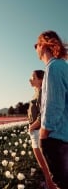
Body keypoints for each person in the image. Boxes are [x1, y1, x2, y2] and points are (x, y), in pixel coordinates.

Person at [34, 30, 68, 189]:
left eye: (37, 44)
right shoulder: (63, 66)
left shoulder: (53, 67)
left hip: (56, 137)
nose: (36, 48)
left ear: (44, 45)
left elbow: (54, 104)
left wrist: (44, 132)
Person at [28, 70, 56, 189]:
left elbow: (42, 115)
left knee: (45, 164)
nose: (30, 79)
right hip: (35, 131)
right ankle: (49, 184)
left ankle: (51, 186)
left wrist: (32, 126)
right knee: (42, 164)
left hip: (38, 131)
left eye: (33, 77)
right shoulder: (37, 92)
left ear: (40, 80)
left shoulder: (42, 94)